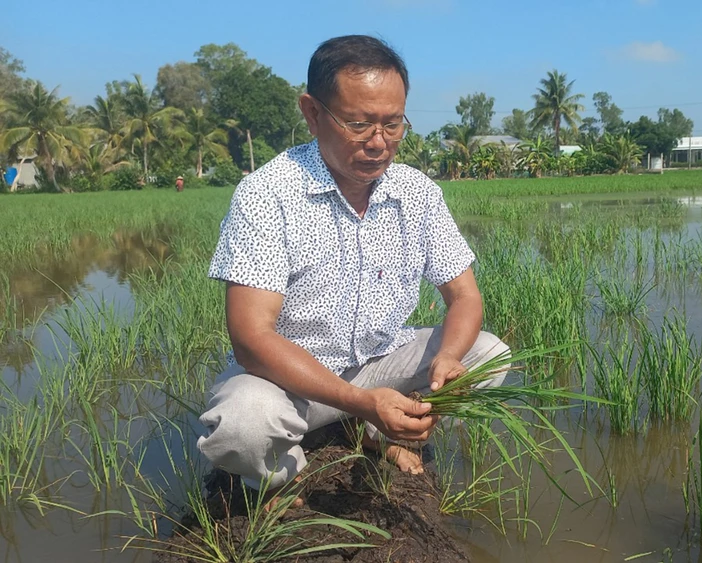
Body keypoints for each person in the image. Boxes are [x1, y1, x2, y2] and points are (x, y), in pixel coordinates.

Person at [197, 35, 509, 509]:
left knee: (488, 356)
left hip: (378, 362)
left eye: (393, 124)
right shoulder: (268, 194)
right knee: (243, 425)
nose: (379, 144)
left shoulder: (417, 194)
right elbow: (250, 337)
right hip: (288, 383)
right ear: (312, 112)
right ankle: (283, 476)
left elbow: (464, 296)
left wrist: (448, 357)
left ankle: (382, 434)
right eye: (359, 124)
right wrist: (360, 400)